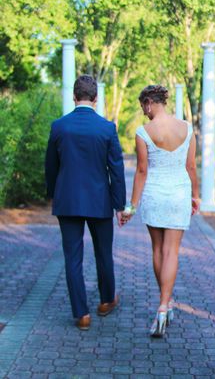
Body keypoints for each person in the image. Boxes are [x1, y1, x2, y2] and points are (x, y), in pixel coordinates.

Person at [45, 75, 126, 331]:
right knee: (103, 253)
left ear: (73, 96)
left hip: (67, 201)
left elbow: (51, 167)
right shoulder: (107, 128)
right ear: (95, 98)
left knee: (73, 258)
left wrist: (52, 194)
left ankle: (81, 315)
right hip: (99, 201)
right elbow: (117, 170)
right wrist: (120, 205)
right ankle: (105, 302)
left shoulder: (59, 126)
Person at [123, 84, 199, 337]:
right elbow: (191, 167)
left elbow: (142, 171)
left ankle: (164, 303)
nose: (144, 112)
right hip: (179, 194)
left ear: (149, 102)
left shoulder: (144, 132)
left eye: (143, 106)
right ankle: (165, 305)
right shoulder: (187, 129)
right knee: (172, 252)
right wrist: (195, 196)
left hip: (154, 194)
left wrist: (131, 205)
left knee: (157, 250)